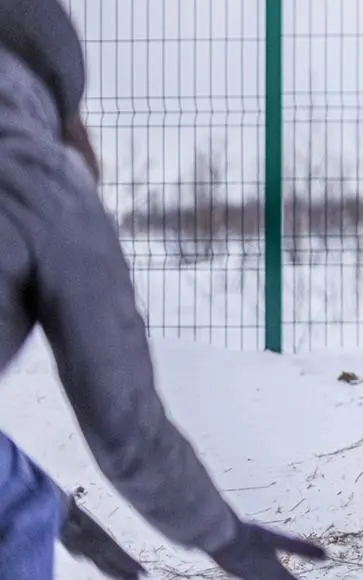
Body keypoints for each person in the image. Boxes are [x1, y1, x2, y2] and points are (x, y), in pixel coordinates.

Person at [0, 1, 329, 578]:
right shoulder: (43, 176)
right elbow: (125, 428)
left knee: (22, 501)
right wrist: (222, 535)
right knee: (18, 513)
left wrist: (48, 501)